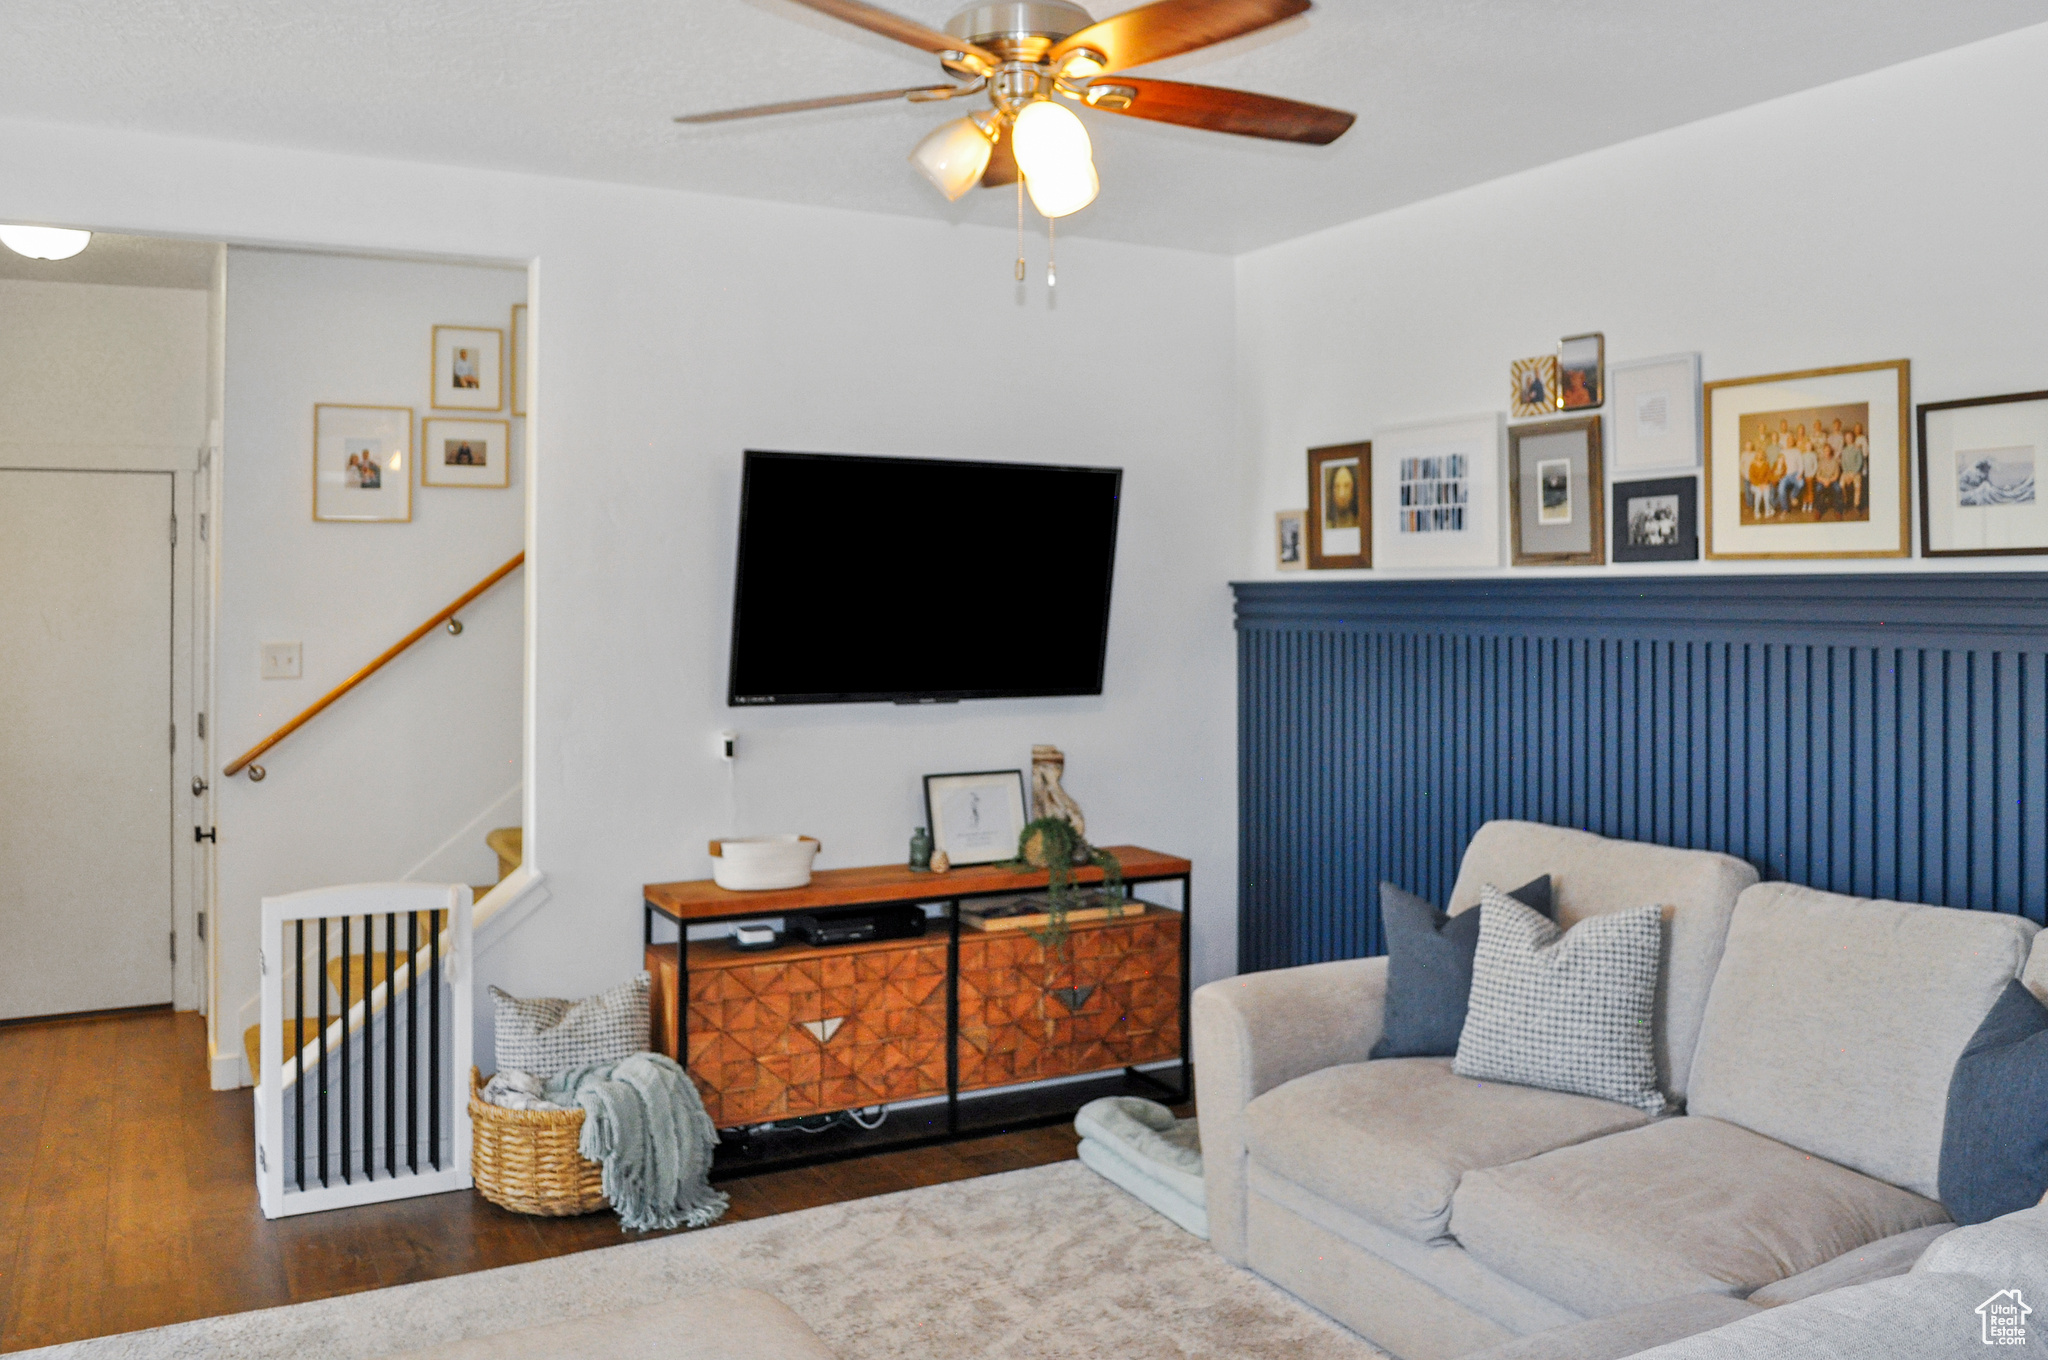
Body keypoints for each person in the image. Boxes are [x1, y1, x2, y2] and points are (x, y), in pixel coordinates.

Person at [1813, 440, 1843, 518]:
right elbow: (1817, 475)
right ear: (1823, 452)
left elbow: (1836, 475)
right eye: (1825, 451)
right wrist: (1824, 480)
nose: (1827, 452)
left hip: (1832, 480)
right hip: (1822, 480)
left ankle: (1838, 511)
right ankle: (1819, 511)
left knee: (1838, 489)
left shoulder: (1835, 461)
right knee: (1818, 489)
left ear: (1830, 451)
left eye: (1828, 450)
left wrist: (1829, 481)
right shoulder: (1820, 462)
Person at [1841, 422, 1867, 512]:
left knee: (1857, 485)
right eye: (1847, 438)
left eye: (1850, 437)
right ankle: (1845, 503)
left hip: (1856, 473)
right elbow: (1843, 464)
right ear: (1845, 439)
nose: (1848, 439)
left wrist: (1853, 474)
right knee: (1841, 484)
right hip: (1846, 473)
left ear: (1853, 438)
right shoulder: (1844, 450)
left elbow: (1860, 462)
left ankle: (1856, 504)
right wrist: (1847, 474)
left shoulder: (1857, 448)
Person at [1746, 440, 1775, 518]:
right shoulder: (1752, 465)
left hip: (1764, 484)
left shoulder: (1766, 464)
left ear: (1763, 456)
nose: (1760, 456)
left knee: (1767, 492)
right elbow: (1751, 477)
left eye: (1762, 454)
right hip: (1755, 485)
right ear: (1756, 455)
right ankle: (1756, 511)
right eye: (1758, 454)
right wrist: (1759, 485)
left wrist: (1765, 484)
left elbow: (1768, 475)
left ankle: (1767, 510)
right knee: (1759, 492)